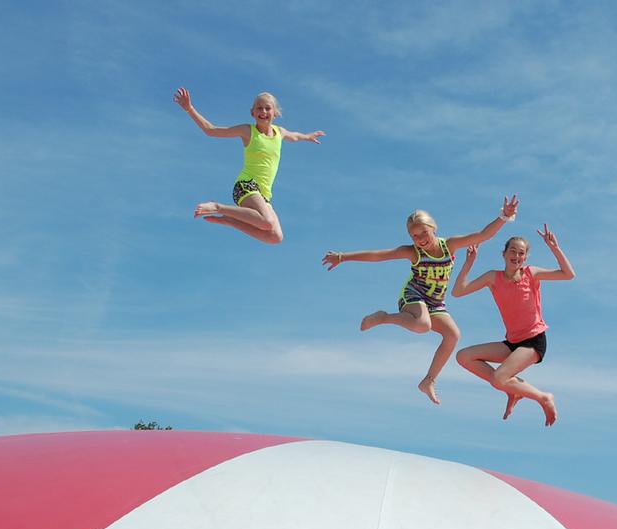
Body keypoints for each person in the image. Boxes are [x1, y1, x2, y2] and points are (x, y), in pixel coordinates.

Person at [322, 196, 520, 404]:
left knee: (453, 335)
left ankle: (428, 381)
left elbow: (483, 235)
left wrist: (504, 216)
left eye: (423, 233)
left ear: (433, 228)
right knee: (422, 324)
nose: (420, 239)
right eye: (414, 236)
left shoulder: (449, 246)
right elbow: (378, 255)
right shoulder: (413, 252)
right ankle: (384, 317)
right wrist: (343, 257)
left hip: (435, 303)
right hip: (413, 296)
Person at [451, 225, 575, 426]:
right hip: (512, 342)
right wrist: (469, 262)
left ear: (525, 258)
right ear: (504, 253)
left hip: (534, 341)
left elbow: (568, 274)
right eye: (513, 251)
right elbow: (458, 291)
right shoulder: (493, 277)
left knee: (499, 378)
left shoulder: (530, 273)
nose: (516, 256)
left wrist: (554, 248)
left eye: (521, 253)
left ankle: (543, 397)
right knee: (463, 357)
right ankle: (512, 389)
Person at [173, 88, 324, 244]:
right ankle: (218, 206)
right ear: (252, 112)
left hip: (264, 195)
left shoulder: (280, 132)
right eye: (259, 108)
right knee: (268, 222)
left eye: (267, 108)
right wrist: (189, 109)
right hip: (246, 186)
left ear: (275, 113)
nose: (263, 111)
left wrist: (307, 136)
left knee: (275, 237)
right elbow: (211, 130)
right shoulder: (247, 131)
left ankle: (229, 220)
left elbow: (295, 136)